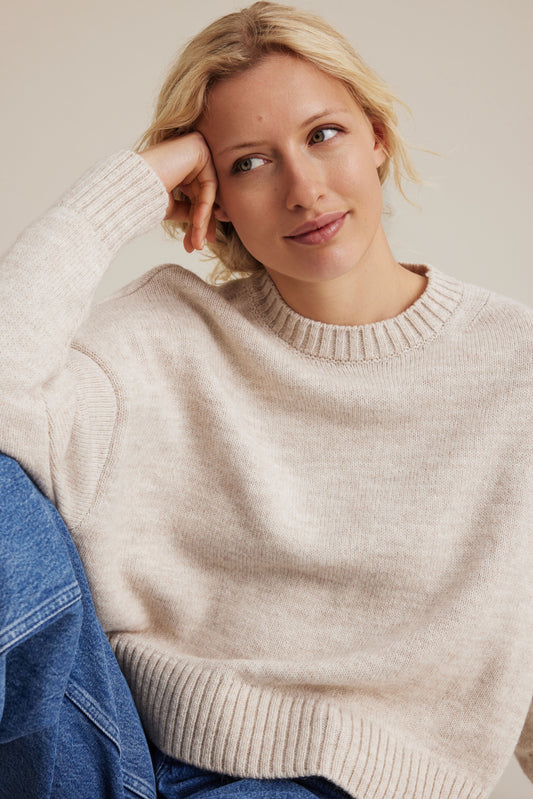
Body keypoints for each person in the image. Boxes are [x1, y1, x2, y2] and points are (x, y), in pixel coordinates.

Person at [0, 2, 532, 797]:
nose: (304, 189)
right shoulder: (165, 330)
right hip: (103, 751)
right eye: (249, 162)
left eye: (323, 135)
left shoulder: (513, 369)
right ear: (208, 193)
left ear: (376, 135)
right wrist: (128, 186)